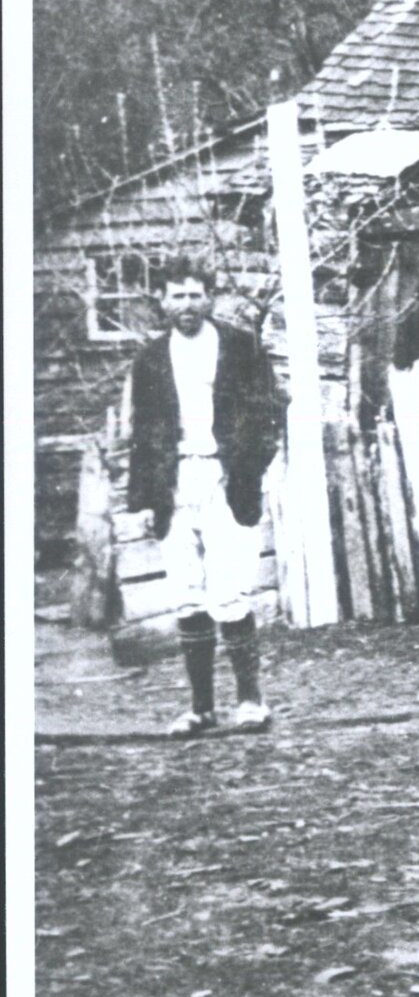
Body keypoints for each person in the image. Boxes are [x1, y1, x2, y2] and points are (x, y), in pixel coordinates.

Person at [125, 255, 284, 736]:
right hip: (173, 482)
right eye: (177, 296)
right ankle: (201, 709)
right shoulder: (150, 359)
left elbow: (268, 412)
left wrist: (249, 468)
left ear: (210, 298)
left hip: (224, 478)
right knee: (187, 596)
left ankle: (251, 702)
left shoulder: (240, 347)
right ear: (163, 301)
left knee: (229, 593)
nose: (187, 304)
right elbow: (142, 430)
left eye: (195, 295)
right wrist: (145, 500)